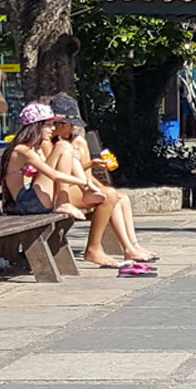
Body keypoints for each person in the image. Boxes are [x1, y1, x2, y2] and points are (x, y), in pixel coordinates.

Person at [44, 94, 156, 265]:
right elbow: (51, 174)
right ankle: (95, 249)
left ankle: (132, 246)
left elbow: (71, 172)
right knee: (109, 196)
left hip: (66, 186)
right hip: (53, 192)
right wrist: (88, 170)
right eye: (70, 125)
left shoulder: (62, 141)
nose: (72, 130)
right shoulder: (50, 143)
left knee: (120, 198)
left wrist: (90, 173)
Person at [0, 103, 100, 221]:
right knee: (63, 146)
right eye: (49, 125)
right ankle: (65, 201)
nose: (53, 128)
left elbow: (53, 171)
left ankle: (82, 194)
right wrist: (86, 182)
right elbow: (53, 175)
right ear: (37, 126)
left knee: (66, 148)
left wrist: (71, 157)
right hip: (27, 202)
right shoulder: (22, 150)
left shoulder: (36, 148)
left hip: (35, 198)